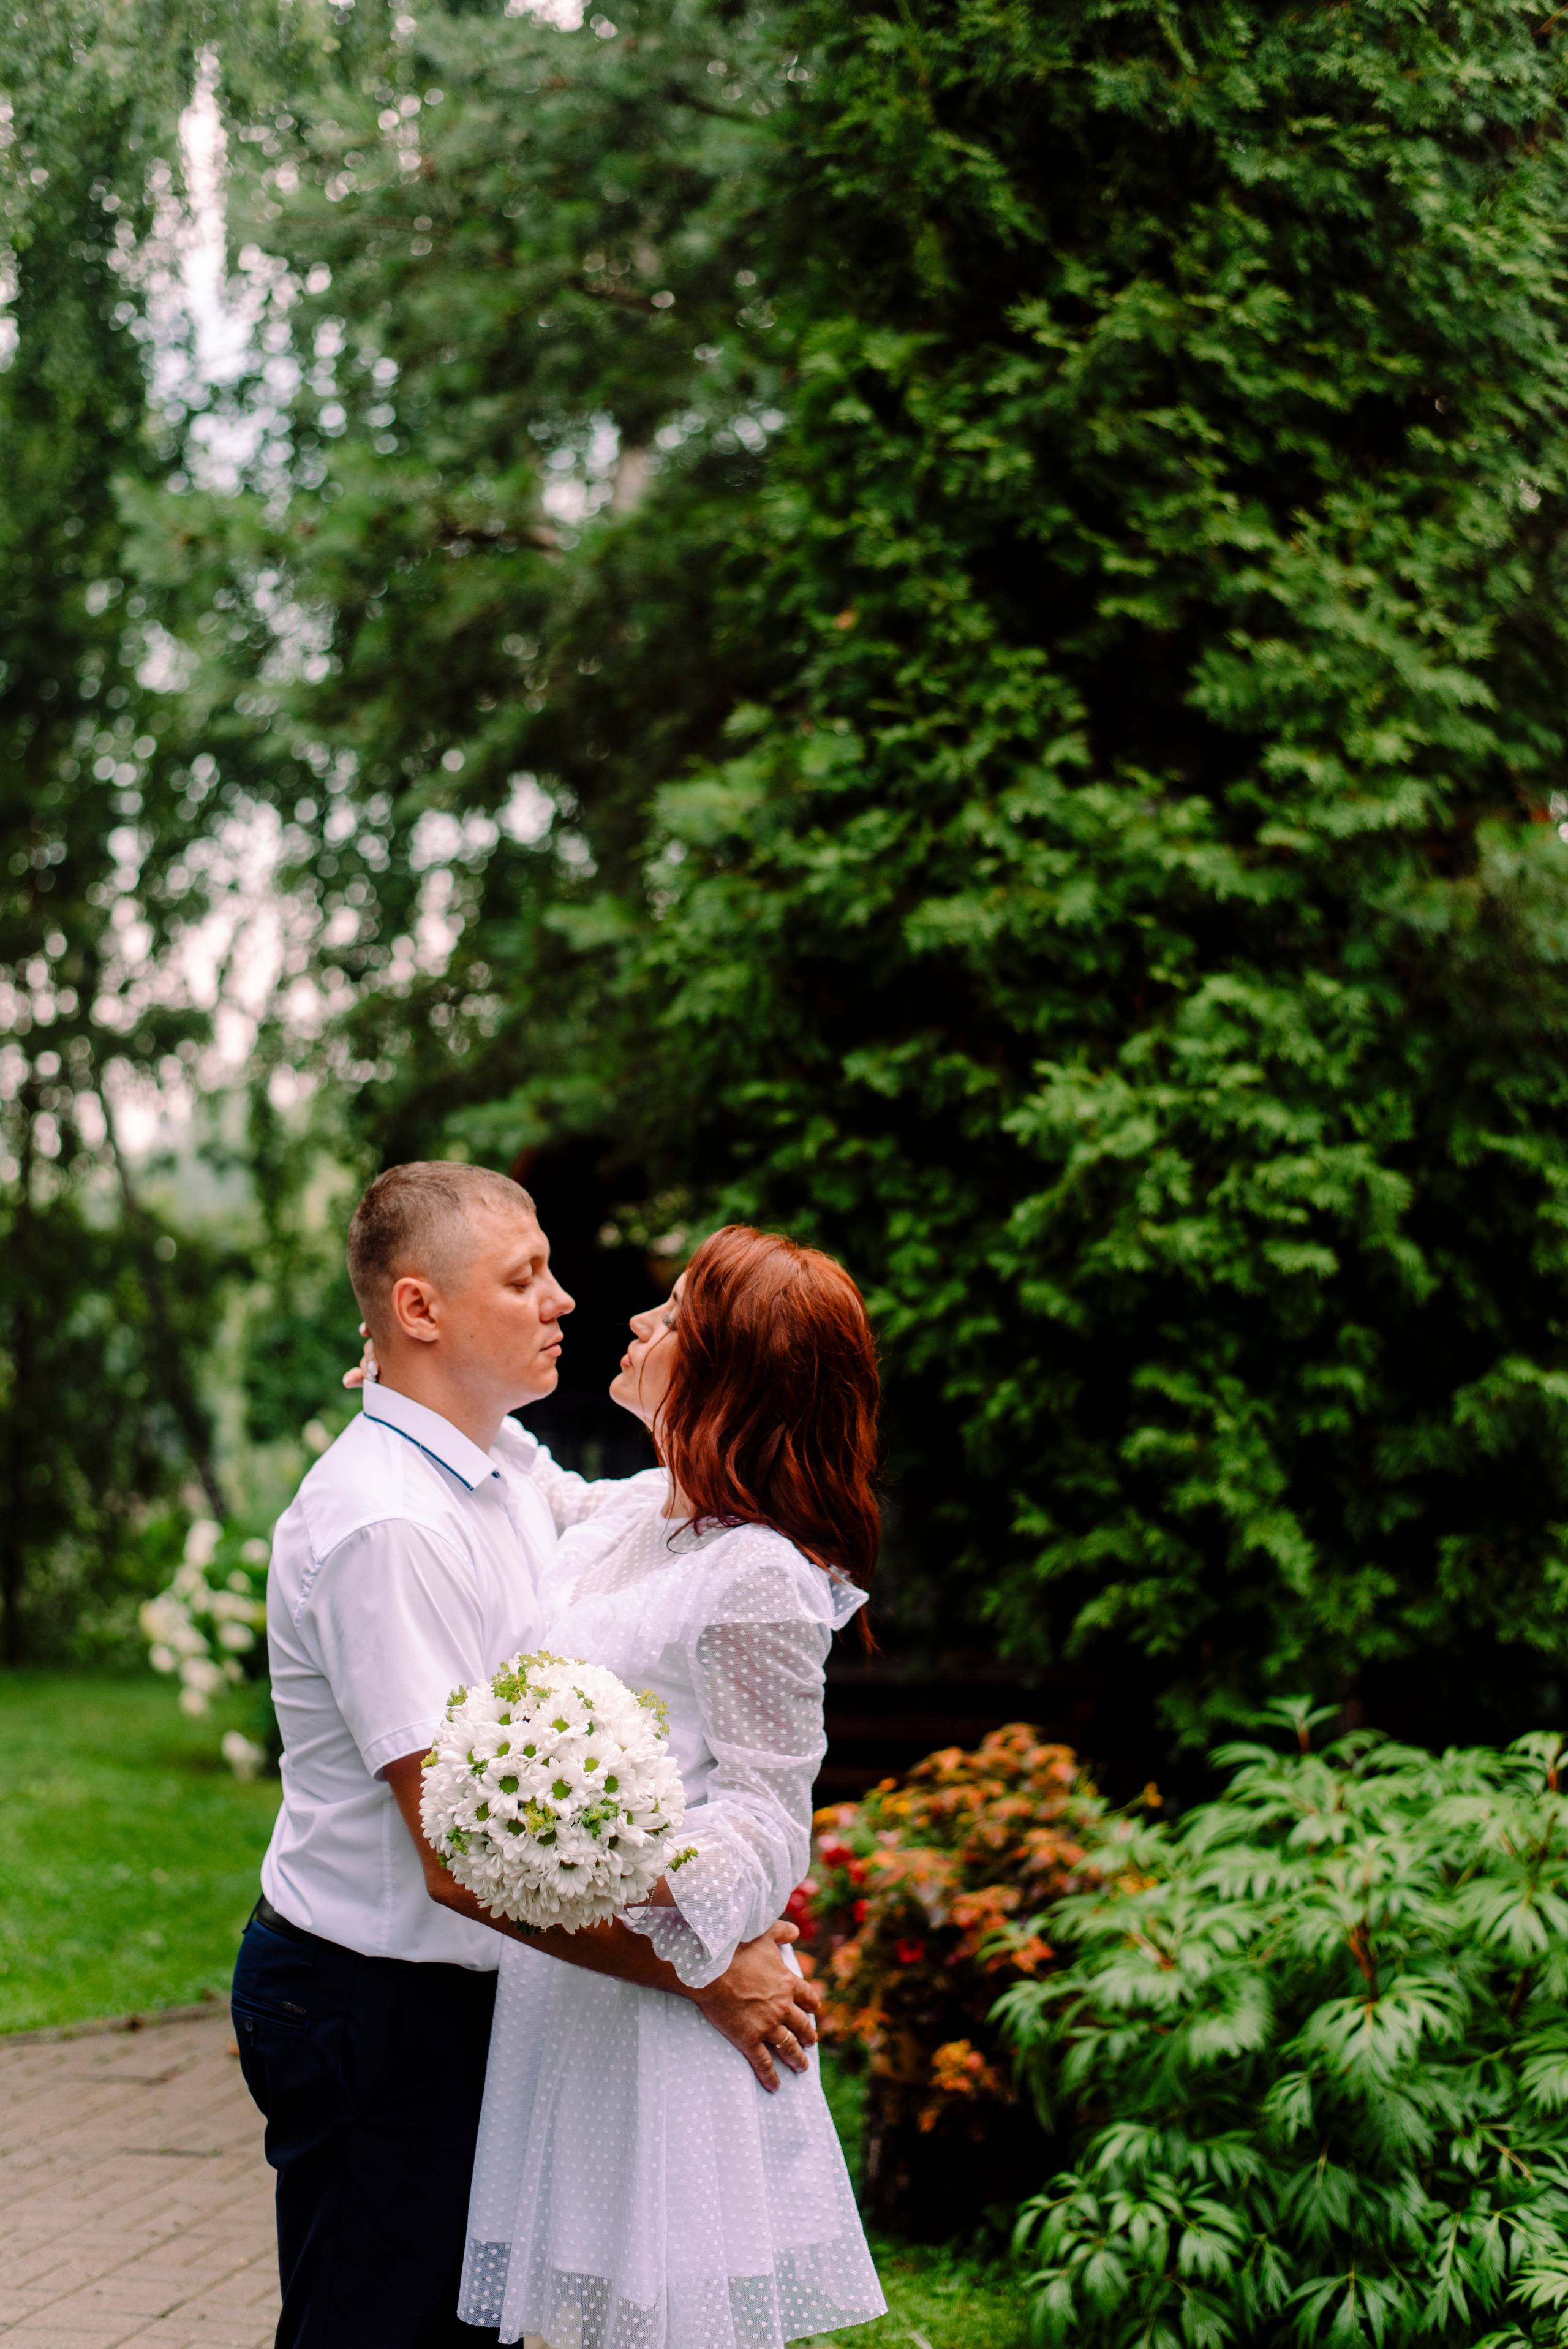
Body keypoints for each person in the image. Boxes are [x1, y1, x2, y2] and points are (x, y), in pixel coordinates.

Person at [232, 1165, 824, 2349]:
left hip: (473, 1996)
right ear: (419, 1309)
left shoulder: (494, 1460)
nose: (565, 1300)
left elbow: (612, 1517)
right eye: (525, 1277)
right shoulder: (388, 1525)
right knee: (371, 2326)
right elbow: (457, 1862)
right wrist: (703, 1972)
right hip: (373, 2002)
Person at [454, 1224, 888, 2349]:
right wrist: (421, 1386)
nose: (642, 1321)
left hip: (659, 2010)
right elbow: (526, 1488)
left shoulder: (761, 1575)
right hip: (578, 1988)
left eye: (678, 1312)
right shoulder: (643, 1510)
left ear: (731, 1366)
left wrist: (631, 1872)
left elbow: (766, 1810)